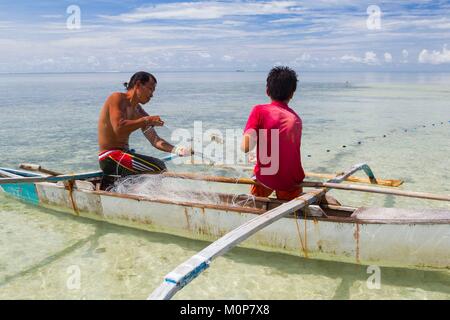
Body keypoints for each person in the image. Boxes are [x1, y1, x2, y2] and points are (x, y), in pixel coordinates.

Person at [98, 71, 191, 181]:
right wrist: (146, 120)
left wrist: (177, 150)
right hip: (109, 157)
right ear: (138, 85)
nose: (152, 95)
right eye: (150, 89)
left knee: (157, 167)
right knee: (158, 166)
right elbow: (119, 127)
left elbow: (155, 140)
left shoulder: (139, 111)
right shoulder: (117, 98)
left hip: (123, 156)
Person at [241, 66, 305, 201]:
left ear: (267, 91)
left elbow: (246, 147)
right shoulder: (296, 119)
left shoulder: (259, 111)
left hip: (266, 178)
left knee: (255, 195)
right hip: (291, 182)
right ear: (292, 94)